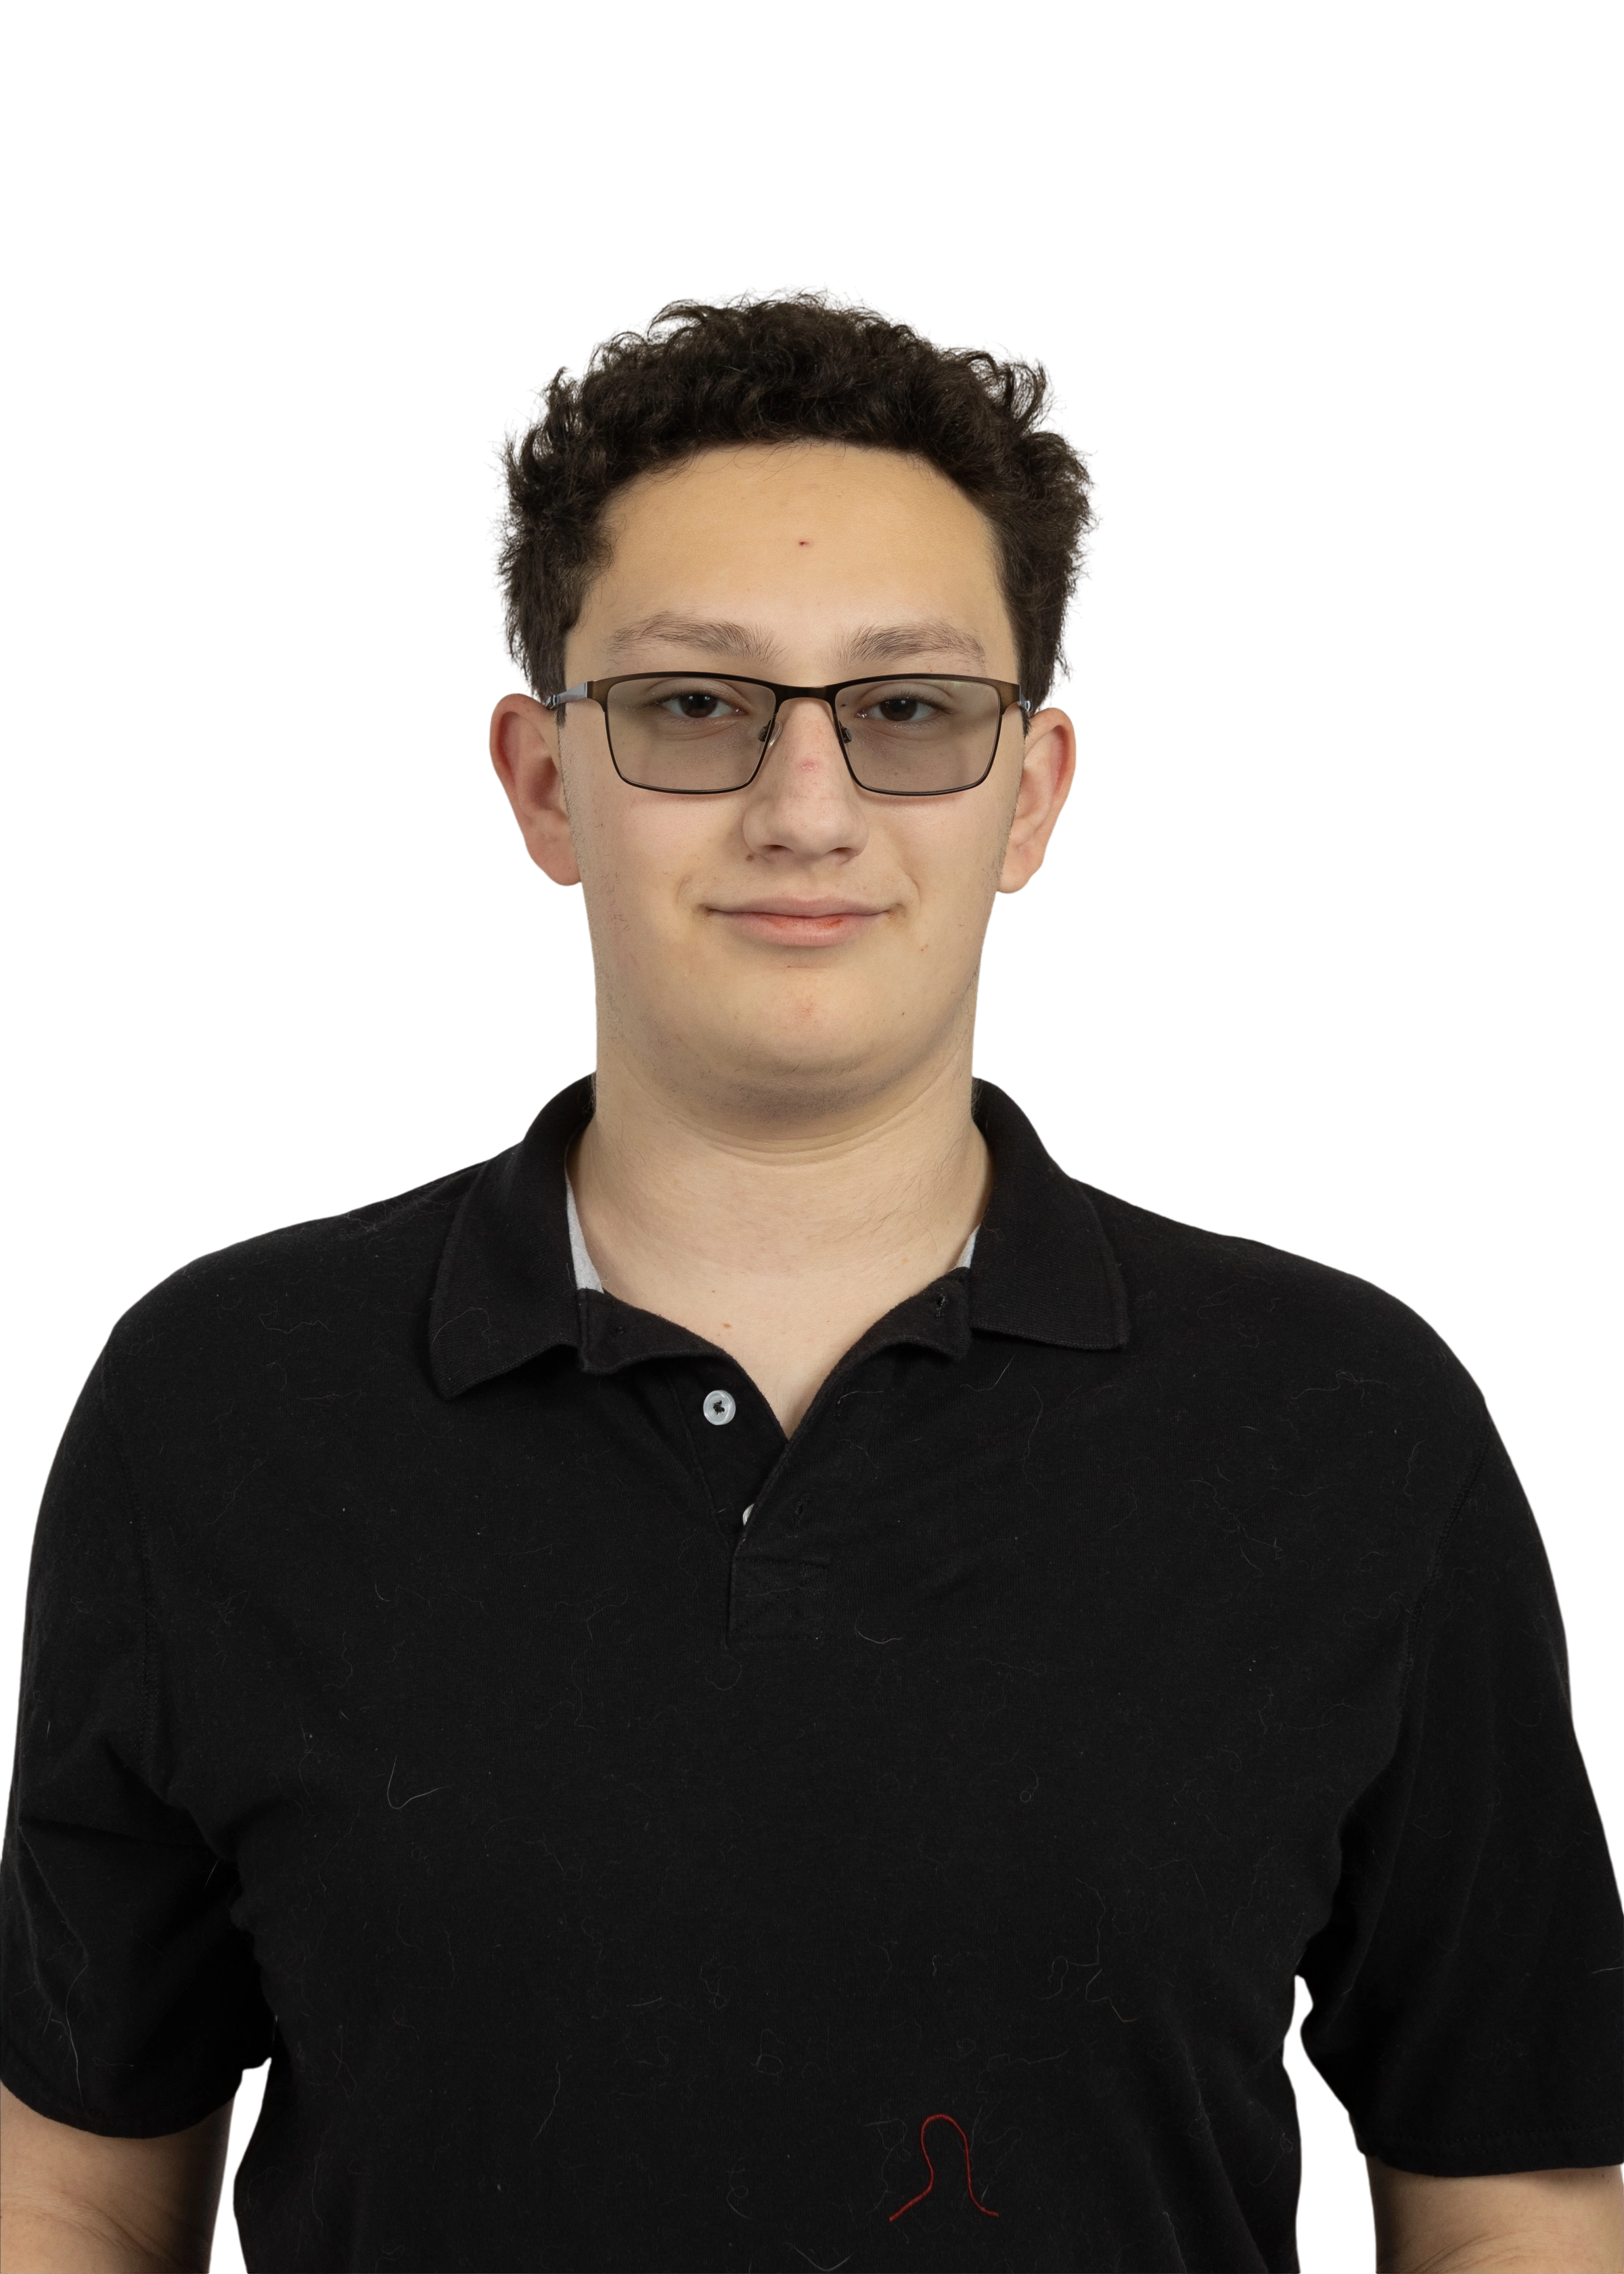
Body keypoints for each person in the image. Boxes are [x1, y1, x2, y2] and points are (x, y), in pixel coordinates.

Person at [2, 284, 1620, 2273]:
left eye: (908, 710)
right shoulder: (223, 1404)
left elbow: (1519, 2203)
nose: (805, 809)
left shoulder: (1349, 1423)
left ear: (1036, 789)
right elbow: (70, 2192)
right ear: (542, 779)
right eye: (696, 705)